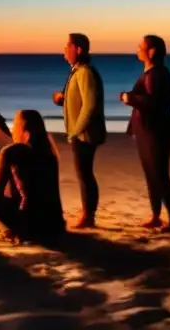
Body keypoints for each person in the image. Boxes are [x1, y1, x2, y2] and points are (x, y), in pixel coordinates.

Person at [121, 34, 170, 231]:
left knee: (160, 174)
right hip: (146, 130)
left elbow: (157, 103)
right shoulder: (149, 72)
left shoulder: (157, 75)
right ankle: (156, 215)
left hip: (157, 131)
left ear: (152, 51)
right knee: (150, 174)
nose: (137, 49)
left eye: (141, 47)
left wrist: (131, 99)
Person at [0, 110, 65, 242]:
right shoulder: (50, 154)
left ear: (22, 128)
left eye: (14, 124)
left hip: (28, 226)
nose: (12, 129)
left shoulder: (11, 151)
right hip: (54, 225)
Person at [52, 33, 106, 229]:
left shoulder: (84, 73)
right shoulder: (77, 71)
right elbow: (77, 99)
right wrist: (62, 99)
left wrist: (76, 131)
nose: (64, 50)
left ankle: (88, 216)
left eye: (67, 46)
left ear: (78, 49)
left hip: (85, 134)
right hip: (81, 132)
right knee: (84, 173)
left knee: (85, 174)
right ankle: (87, 211)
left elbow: (89, 105)